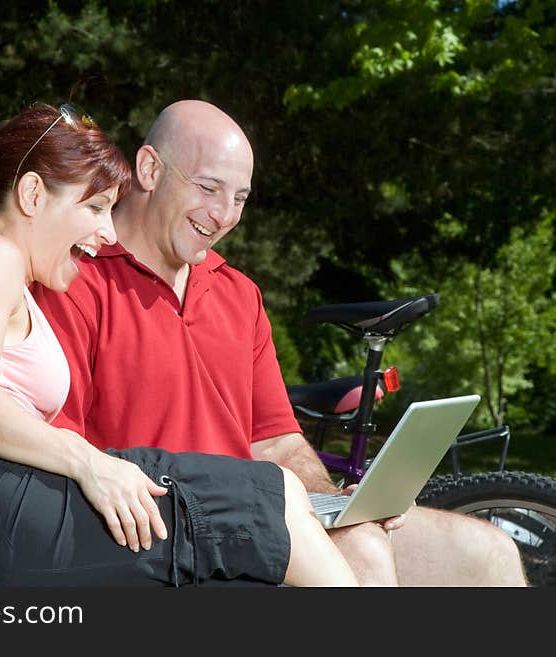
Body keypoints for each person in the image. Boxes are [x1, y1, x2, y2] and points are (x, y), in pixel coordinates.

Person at [32, 99, 528, 586]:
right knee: (364, 551)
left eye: (241, 198)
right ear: (149, 168)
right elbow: (64, 452)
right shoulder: (75, 279)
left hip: (266, 517)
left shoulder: (238, 294)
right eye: (209, 188)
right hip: (167, 535)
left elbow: (276, 441)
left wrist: (335, 501)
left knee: (488, 553)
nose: (224, 215)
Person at [0, 101, 358, 587]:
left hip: (6, 509)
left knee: (271, 516)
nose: (106, 230)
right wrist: (91, 462)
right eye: (93, 207)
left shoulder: (9, 277)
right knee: (271, 499)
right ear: (31, 194)